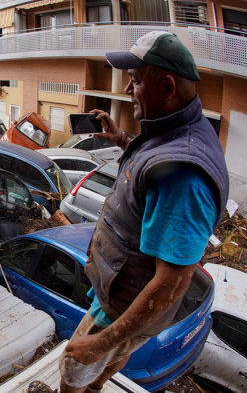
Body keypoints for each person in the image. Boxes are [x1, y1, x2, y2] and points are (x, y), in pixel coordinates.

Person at [56, 31, 229, 392]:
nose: (128, 90)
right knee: (108, 359)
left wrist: (101, 342)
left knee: (73, 366)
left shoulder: (184, 176)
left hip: (124, 303)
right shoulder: (179, 129)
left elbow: (171, 282)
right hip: (121, 290)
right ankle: (97, 381)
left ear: (167, 87)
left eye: (135, 81)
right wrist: (122, 140)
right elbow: (156, 154)